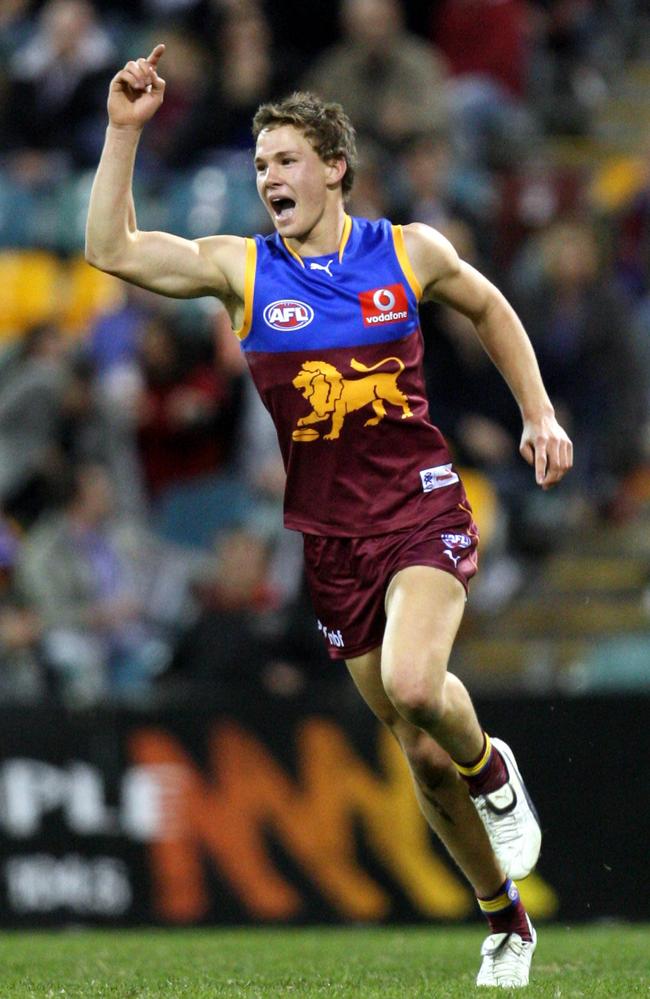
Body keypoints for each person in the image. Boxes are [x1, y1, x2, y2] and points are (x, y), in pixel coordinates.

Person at [85, 45, 573, 989]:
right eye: (260, 164)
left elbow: (488, 303)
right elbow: (111, 250)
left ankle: (497, 773)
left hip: (422, 504)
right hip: (331, 538)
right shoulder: (242, 273)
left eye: (286, 159)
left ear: (334, 166)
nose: (269, 176)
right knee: (416, 749)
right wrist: (121, 131)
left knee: (419, 685)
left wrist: (539, 412)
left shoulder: (408, 250)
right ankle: (504, 919)